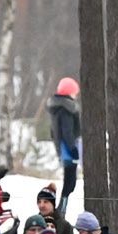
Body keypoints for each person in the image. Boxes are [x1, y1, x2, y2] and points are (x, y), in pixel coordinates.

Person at [47, 77, 82, 214]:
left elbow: (53, 131)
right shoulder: (67, 109)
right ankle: (61, 210)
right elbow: (67, 131)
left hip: (62, 148)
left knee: (69, 180)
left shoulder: (57, 109)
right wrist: (73, 149)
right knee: (70, 182)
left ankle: (61, 209)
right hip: (68, 148)